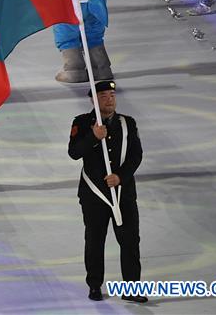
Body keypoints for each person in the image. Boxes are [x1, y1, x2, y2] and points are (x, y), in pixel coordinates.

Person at [68, 81, 145, 304]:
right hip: (94, 196)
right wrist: (93, 137)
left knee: (130, 240)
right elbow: (74, 152)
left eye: (112, 94)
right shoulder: (82, 123)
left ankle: (132, 287)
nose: (109, 99)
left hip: (123, 194)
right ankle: (94, 285)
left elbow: (136, 155)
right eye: (103, 95)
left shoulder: (127, 123)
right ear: (93, 99)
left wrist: (120, 176)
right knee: (95, 241)